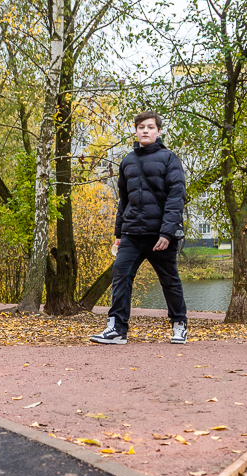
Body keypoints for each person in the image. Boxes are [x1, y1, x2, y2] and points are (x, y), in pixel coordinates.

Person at [90, 111, 187, 345]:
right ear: (135, 130)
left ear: (159, 131)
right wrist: (118, 235)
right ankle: (116, 329)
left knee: (169, 280)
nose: (145, 130)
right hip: (131, 233)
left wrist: (167, 232)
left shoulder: (169, 159)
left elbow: (176, 197)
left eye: (151, 127)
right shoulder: (127, 161)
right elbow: (124, 201)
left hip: (159, 236)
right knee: (120, 276)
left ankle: (179, 324)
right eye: (141, 127)